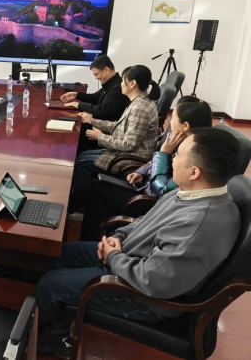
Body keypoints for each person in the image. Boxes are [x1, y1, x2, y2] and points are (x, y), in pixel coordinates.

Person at [36, 127, 241, 358]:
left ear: (194, 172)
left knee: (51, 285)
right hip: (127, 260)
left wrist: (113, 257)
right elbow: (144, 221)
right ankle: (55, 316)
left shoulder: (200, 225)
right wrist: (118, 237)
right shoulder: (190, 192)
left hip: (144, 296)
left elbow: (154, 280)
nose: (172, 159)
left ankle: (52, 337)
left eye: (177, 155)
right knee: (55, 254)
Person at [79, 96, 213, 240]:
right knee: (97, 199)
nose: (170, 120)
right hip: (145, 187)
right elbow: (153, 162)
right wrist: (140, 171)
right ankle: (89, 241)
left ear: (185, 126)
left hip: (152, 203)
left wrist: (164, 153)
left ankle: (81, 234)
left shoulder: (193, 154)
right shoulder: (181, 139)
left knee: (96, 189)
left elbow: (163, 190)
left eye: (173, 117)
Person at [72, 65, 160, 194]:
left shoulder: (140, 108)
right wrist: (93, 121)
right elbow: (120, 126)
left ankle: (82, 200)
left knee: (81, 163)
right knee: (81, 155)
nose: (120, 84)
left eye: (123, 81)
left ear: (132, 84)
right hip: (125, 153)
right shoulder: (138, 101)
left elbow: (128, 144)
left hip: (130, 158)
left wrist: (100, 137)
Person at [60, 55, 129, 121]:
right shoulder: (110, 83)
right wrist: (77, 95)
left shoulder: (117, 87)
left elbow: (102, 110)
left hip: (104, 126)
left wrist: (79, 105)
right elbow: (95, 98)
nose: (96, 78)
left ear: (106, 70)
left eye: (96, 74)